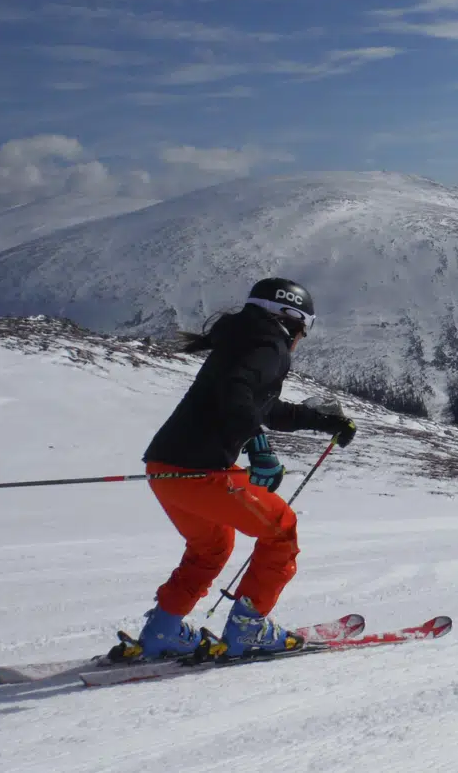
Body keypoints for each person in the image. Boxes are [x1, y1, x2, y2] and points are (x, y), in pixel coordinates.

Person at [132, 277, 357, 659]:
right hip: (200, 472)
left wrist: (325, 421)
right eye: (304, 328)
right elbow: (238, 396)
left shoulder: (242, 341)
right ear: (290, 319)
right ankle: (247, 630)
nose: (301, 338)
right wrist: (259, 446)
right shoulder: (270, 344)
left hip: (164, 471)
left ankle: (163, 631)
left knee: (212, 547)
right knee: (281, 530)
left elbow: (261, 407)